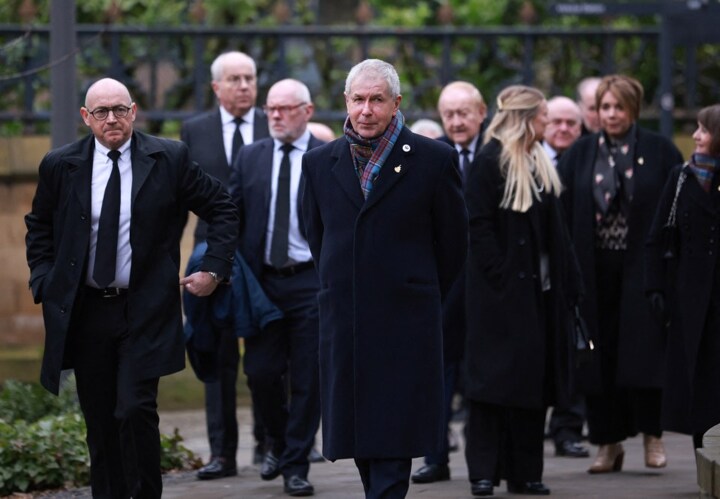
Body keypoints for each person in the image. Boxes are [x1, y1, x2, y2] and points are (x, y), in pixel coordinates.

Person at [24, 77, 238, 498]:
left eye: (120, 110)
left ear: (134, 112)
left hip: (144, 310)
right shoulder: (60, 165)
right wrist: (44, 281)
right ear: (86, 118)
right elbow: (39, 227)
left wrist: (214, 269)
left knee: (135, 409)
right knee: (101, 421)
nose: (112, 119)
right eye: (101, 112)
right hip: (87, 313)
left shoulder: (168, 158)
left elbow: (222, 206)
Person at [301, 59, 468, 499]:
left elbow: (453, 246)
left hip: (404, 322)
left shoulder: (433, 160)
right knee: (359, 434)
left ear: (396, 104)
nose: (367, 110)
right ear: (346, 102)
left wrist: (414, 290)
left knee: (394, 435)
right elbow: (317, 238)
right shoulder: (319, 163)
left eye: (377, 100)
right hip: (347, 321)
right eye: (359, 99)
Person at [558, 74, 683, 474]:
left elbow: (676, 211)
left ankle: (653, 437)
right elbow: (562, 210)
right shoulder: (580, 152)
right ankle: (607, 443)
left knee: (645, 356)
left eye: (618, 107)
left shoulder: (660, 150)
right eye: (603, 107)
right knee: (598, 359)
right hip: (594, 271)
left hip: (642, 271)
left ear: (633, 107)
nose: (611, 115)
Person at [463, 85, 581, 497]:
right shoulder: (489, 163)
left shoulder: (538, 162)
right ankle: (483, 471)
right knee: (491, 389)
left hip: (538, 297)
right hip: (499, 300)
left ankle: (525, 472)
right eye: (543, 116)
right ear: (527, 118)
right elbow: (477, 227)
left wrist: (568, 283)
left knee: (531, 387)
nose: (548, 123)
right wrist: (501, 275)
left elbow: (556, 234)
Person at [229, 78, 324, 497]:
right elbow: (229, 217)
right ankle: (279, 443)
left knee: (308, 379)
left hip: (310, 281)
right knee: (261, 373)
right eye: (271, 109)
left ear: (308, 111)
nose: (276, 116)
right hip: (262, 282)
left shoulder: (328, 157)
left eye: (286, 109)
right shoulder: (250, 157)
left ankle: (296, 465)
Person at [180, 50, 270, 480]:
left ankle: (270, 447)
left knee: (267, 360)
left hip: (261, 259)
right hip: (209, 258)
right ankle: (222, 454)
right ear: (216, 87)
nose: (244, 86)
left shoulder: (273, 123)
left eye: (249, 78)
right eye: (234, 79)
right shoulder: (194, 130)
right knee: (217, 363)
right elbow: (182, 200)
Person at [409, 80, 487, 486]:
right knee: (438, 377)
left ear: (481, 112)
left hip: (487, 287)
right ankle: (435, 457)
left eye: (463, 113)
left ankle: (484, 468)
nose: (456, 122)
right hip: (442, 286)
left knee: (482, 382)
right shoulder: (430, 154)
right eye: (449, 114)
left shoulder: (495, 153)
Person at [645, 104, 720, 450]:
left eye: (704, 130)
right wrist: (655, 288)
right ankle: (705, 464)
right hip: (689, 299)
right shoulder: (681, 176)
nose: (695, 136)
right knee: (700, 385)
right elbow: (658, 236)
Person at [541, 95, 590, 459]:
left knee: (573, 349)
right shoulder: (529, 158)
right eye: (555, 121)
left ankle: (569, 427)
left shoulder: (589, 159)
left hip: (578, 269)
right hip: (535, 273)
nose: (562, 129)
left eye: (571, 123)